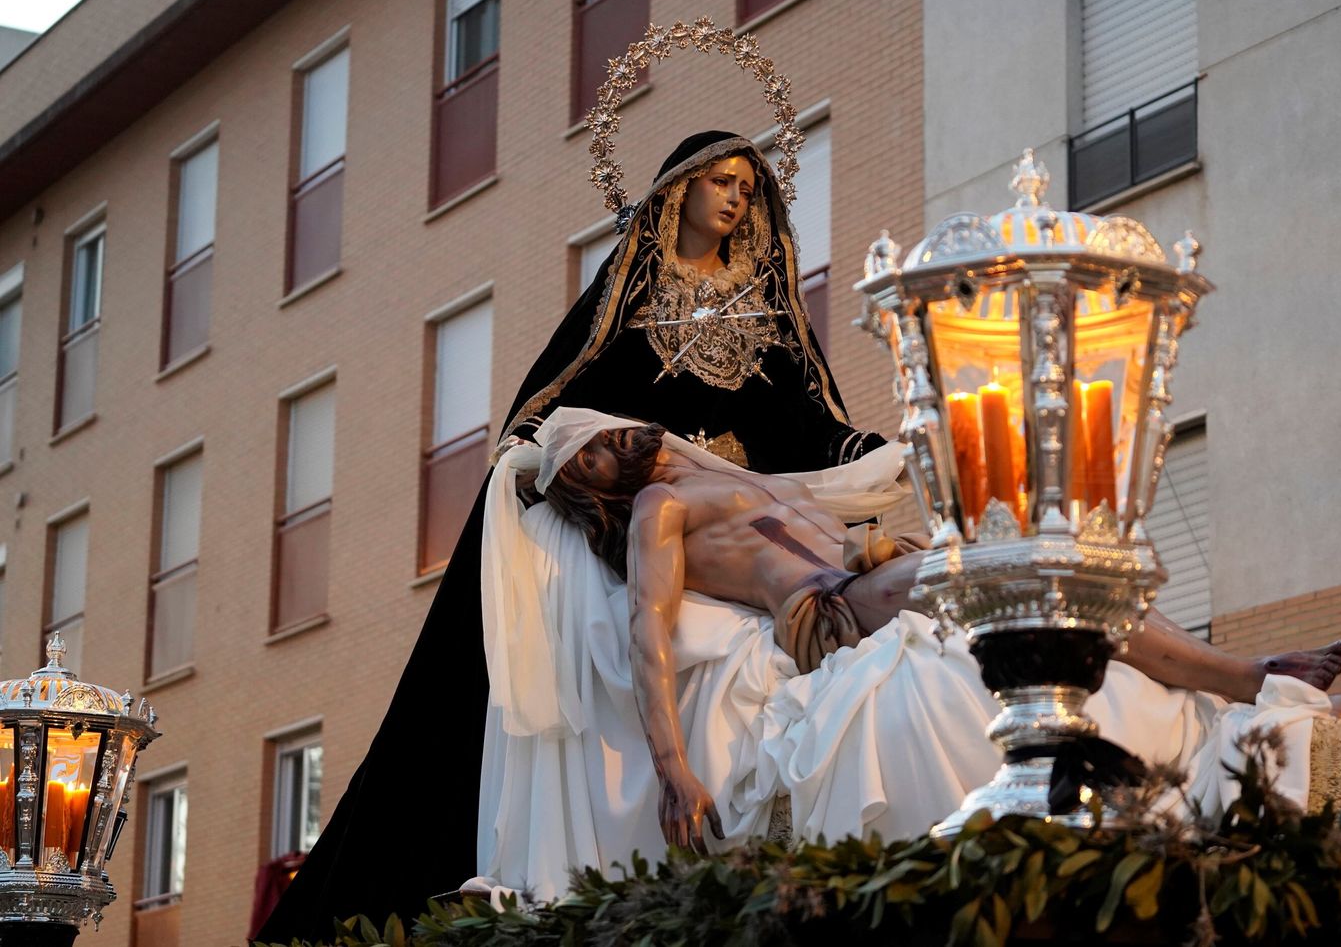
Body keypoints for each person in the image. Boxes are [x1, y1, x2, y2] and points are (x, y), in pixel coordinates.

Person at [255, 132, 886, 944]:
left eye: (747, 188)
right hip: (643, 516)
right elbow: (560, 400)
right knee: (623, 635)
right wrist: (552, 458)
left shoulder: (764, 308)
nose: (735, 198)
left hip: (728, 523)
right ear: (679, 191)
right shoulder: (627, 296)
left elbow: (805, 422)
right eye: (720, 182)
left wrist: (860, 453)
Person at [477, 410, 1341, 869]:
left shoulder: (724, 476)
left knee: (1044, 579)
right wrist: (673, 764)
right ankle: (1255, 676)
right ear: (582, 487)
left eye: (607, 433)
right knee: (1012, 565)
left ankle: (1265, 694)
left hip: (865, 576)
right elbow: (649, 636)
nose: (613, 445)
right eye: (587, 454)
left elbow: (836, 522)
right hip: (836, 616)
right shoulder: (654, 510)